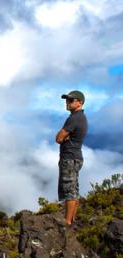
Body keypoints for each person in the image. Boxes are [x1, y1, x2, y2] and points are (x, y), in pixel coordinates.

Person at [55, 90, 87, 226]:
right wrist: (65, 137)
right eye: (67, 100)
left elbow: (58, 138)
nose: (67, 103)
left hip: (70, 158)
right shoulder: (80, 117)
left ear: (80, 102)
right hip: (75, 157)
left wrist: (64, 137)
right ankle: (72, 219)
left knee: (69, 190)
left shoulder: (74, 118)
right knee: (74, 189)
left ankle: (67, 222)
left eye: (71, 100)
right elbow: (63, 137)